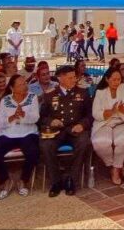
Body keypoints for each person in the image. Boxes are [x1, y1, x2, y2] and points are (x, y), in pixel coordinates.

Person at [38, 65, 92, 197]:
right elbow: (42, 117)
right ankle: (56, 181)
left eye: (74, 77)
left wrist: (82, 125)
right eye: (70, 77)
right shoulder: (50, 94)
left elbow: (90, 115)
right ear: (60, 78)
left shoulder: (83, 92)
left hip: (75, 129)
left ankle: (71, 180)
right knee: (45, 145)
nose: (74, 80)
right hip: (57, 130)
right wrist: (51, 121)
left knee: (84, 142)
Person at [0, 75, 39, 199]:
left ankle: (23, 181)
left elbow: (35, 118)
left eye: (25, 83)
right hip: (8, 133)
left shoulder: (32, 98)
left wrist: (23, 115)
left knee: (33, 152)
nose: (25, 86)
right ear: (12, 87)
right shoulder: (5, 100)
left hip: (28, 132)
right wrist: (12, 117)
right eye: (21, 85)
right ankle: (5, 181)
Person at [91, 66, 124, 185]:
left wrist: (122, 109)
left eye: (119, 79)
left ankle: (116, 170)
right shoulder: (100, 92)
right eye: (114, 79)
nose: (117, 82)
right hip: (104, 123)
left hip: (122, 122)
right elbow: (96, 113)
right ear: (107, 79)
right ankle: (115, 164)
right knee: (100, 142)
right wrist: (111, 111)